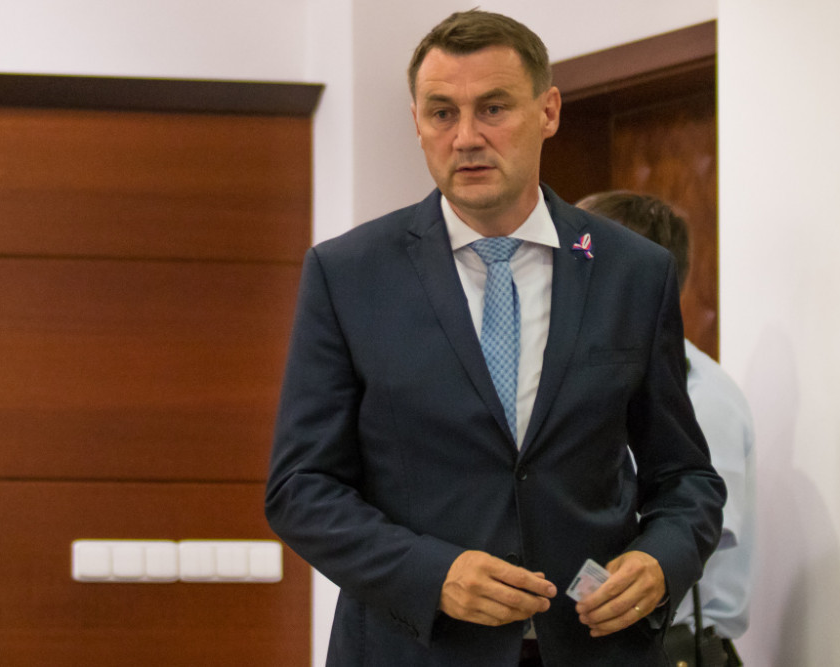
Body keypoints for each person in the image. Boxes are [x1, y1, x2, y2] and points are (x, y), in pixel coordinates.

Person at [265, 10, 725, 667]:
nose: (466, 137)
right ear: (417, 121)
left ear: (548, 111)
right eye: (442, 113)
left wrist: (661, 559)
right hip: (417, 648)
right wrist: (433, 574)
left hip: (596, 648)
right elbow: (300, 488)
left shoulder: (632, 272)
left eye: (493, 108)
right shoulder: (348, 275)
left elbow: (685, 476)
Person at [576, 190, 755, 667]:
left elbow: (692, 537)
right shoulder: (604, 377)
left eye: (583, 262)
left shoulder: (702, 396)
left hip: (673, 649)